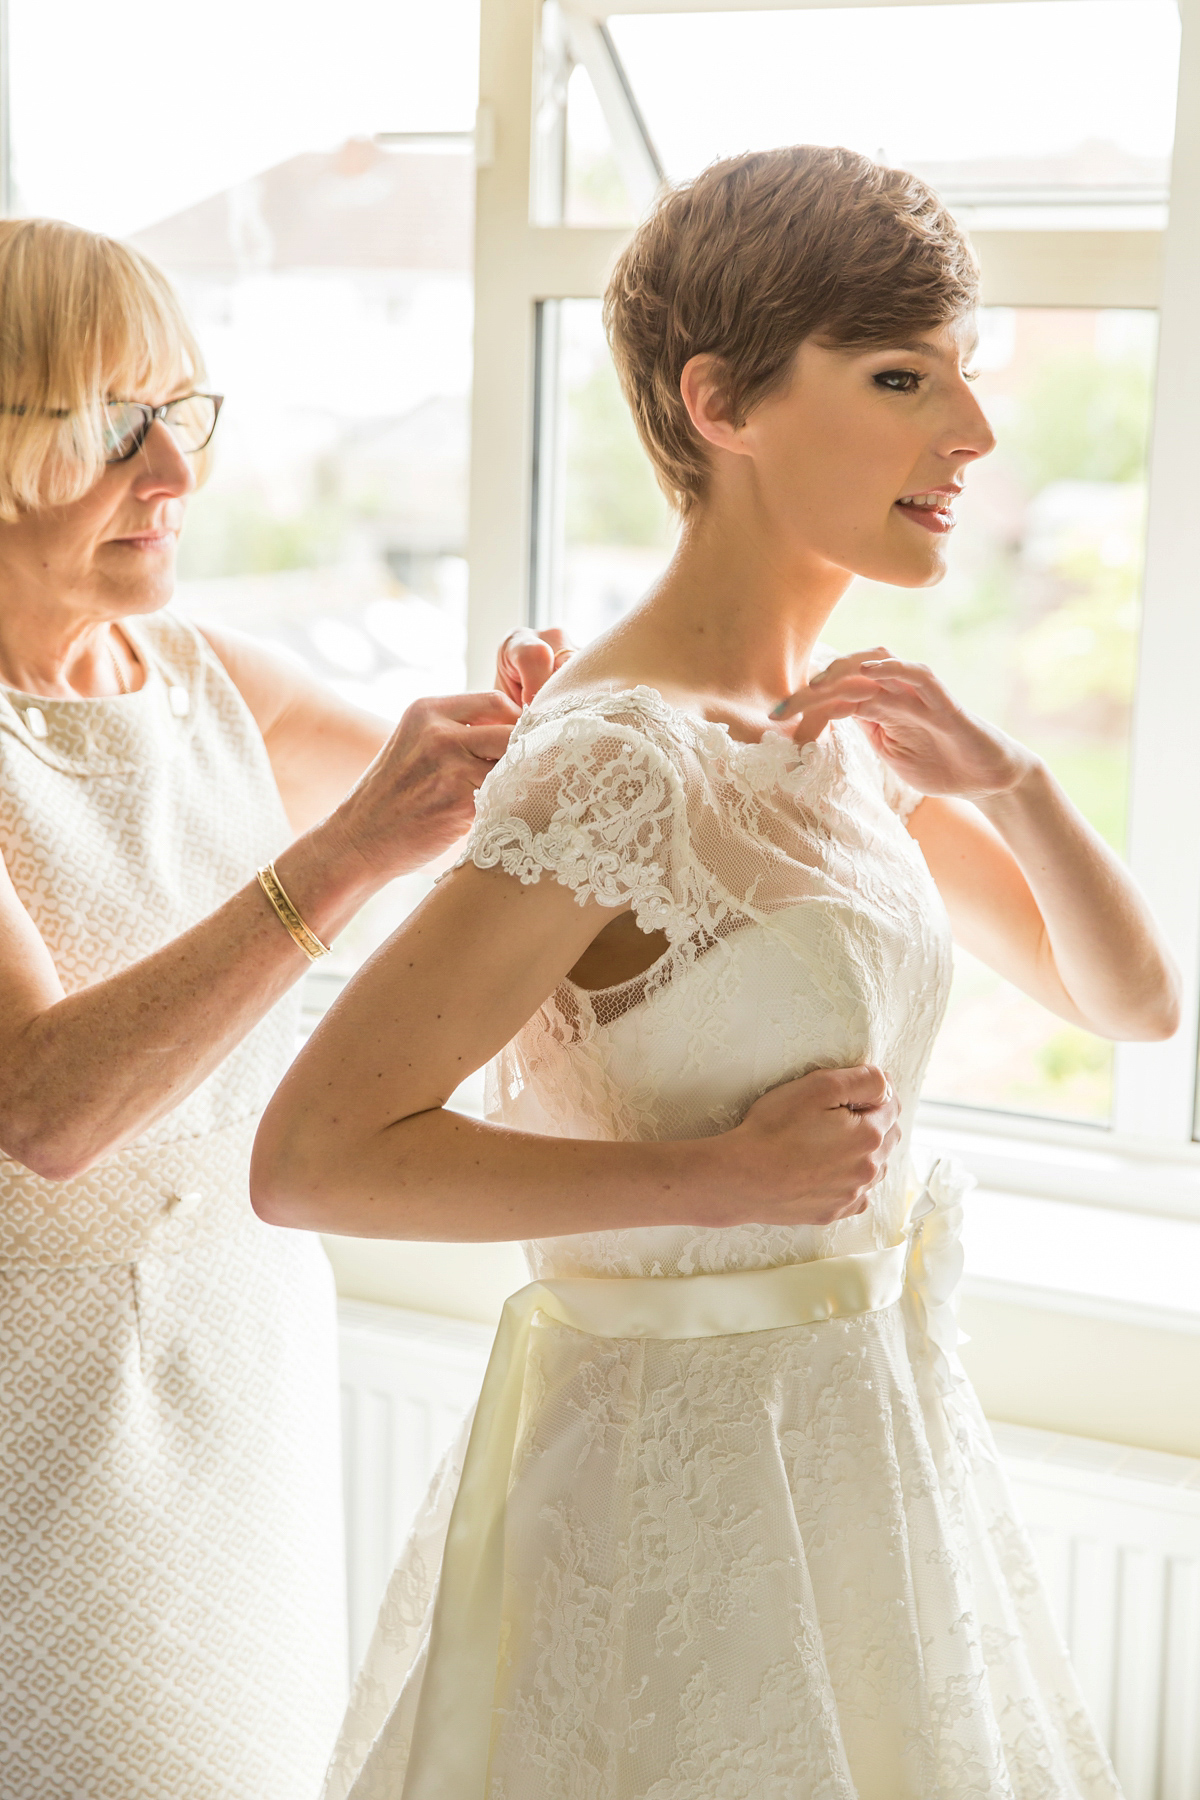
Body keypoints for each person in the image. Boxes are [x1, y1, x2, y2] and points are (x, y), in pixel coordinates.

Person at [253, 148, 1178, 1800]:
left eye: (968, 375)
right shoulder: (613, 760)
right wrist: (719, 1177)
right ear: (720, 402)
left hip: (873, 1458)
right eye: (902, 377)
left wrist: (1012, 785)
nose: (971, 432)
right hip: (668, 1493)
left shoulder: (842, 739)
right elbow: (314, 1156)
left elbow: (1135, 1007)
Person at [0, 216, 569, 1800]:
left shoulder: (194, 673)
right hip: (31, 1413)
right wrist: (342, 855)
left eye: (187, 415)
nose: (177, 474)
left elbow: (464, 781)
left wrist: (562, 722)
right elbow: (42, 1106)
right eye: (118, 428)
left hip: (239, 1357)